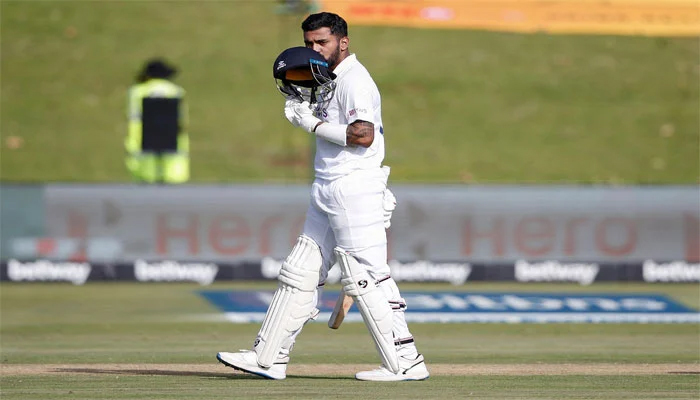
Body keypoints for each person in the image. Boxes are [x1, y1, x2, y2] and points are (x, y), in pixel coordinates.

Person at [216, 12, 429, 382]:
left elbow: (362, 135)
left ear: (343, 42)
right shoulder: (325, 80)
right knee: (300, 271)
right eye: (309, 43)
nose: (314, 49)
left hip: (354, 187)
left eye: (322, 42)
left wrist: (311, 123)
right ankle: (268, 358)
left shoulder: (355, 80)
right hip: (327, 185)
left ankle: (406, 360)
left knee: (368, 276)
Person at [125, 58, 189, 184]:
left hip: (144, 157)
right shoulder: (176, 92)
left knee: (147, 178)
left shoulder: (138, 92)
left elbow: (134, 118)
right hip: (173, 169)